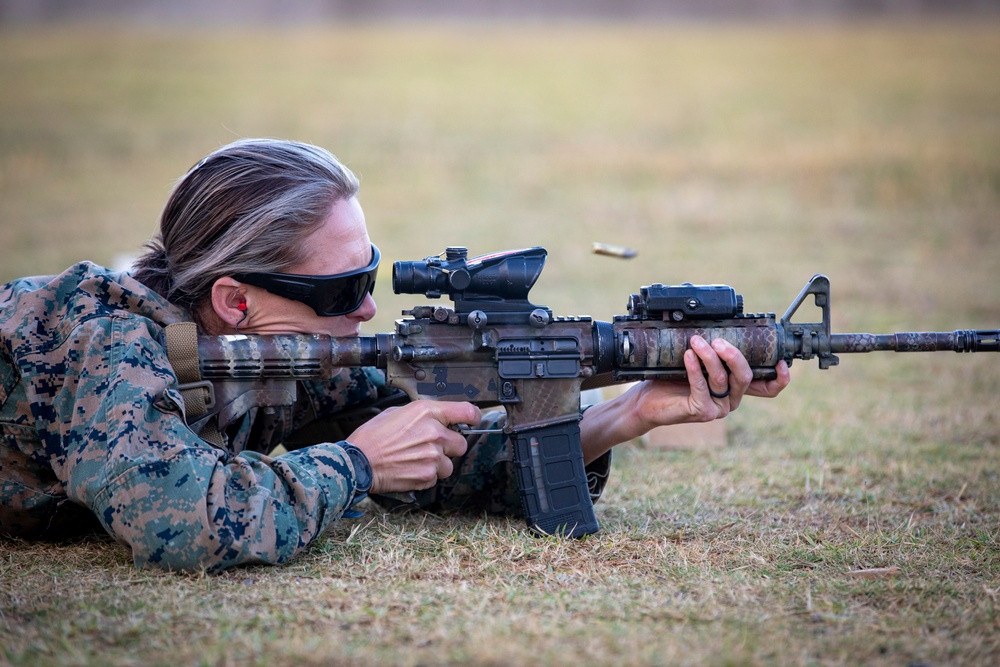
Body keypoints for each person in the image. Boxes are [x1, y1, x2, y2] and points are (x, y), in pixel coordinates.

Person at [0, 138, 790, 572]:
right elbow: (177, 519)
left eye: (369, 275)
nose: (369, 309)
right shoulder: (106, 340)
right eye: (342, 290)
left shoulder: (282, 353)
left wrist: (620, 414)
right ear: (237, 299)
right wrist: (355, 464)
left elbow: (441, 461)